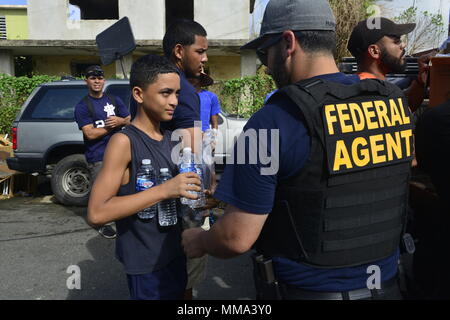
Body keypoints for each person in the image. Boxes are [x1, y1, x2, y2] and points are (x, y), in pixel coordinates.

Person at [182, 0, 414, 300]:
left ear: (288, 42)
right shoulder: (392, 102)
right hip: (391, 286)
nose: (266, 63)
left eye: (266, 51)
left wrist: (199, 241)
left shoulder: (274, 119)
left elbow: (235, 237)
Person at [87, 54, 201, 300]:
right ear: (138, 94)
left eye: (177, 94)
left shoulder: (171, 138)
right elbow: (97, 213)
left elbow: (172, 195)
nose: (174, 101)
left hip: (174, 254)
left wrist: (198, 197)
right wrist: (165, 190)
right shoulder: (124, 141)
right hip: (146, 265)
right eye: (165, 93)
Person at [162, 19, 210, 300]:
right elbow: (192, 150)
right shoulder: (184, 90)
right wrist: (206, 193)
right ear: (179, 51)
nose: (204, 58)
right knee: (186, 277)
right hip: (182, 194)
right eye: (200, 51)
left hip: (153, 193)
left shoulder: (149, 80)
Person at [74, 65, 131, 239]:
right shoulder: (82, 106)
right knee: (101, 194)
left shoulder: (114, 100)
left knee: (123, 189)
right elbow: (90, 133)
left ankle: (121, 218)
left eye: (99, 78)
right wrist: (110, 126)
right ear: (87, 81)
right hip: (98, 156)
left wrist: (120, 120)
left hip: (119, 155)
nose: (97, 81)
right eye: (93, 78)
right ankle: (100, 223)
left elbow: (129, 119)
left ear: (103, 80)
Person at [347, 18, 430, 112]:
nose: (403, 45)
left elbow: (404, 108)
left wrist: (420, 81)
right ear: (374, 51)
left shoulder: (363, 90)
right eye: (396, 41)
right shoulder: (368, 93)